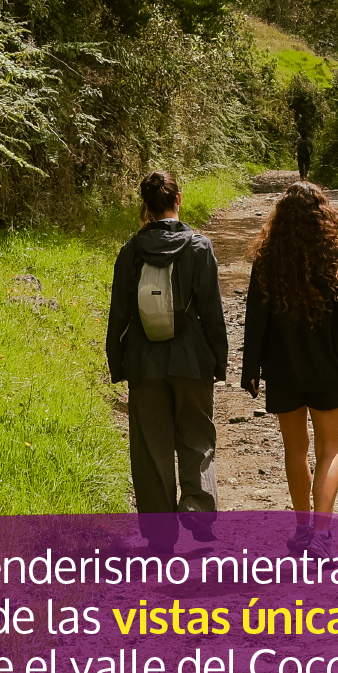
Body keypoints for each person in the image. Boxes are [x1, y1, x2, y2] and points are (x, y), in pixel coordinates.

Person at [241, 182, 338, 548]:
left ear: (280, 218)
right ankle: (322, 533)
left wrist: (250, 367)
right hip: (326, 361)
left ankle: (301, 529)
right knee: (331, 448)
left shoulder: (268, 257)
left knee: (295, 449)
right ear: (322, 215)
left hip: (282, 365)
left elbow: (256, 317)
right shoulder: (333, 254)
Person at [106, 170, 227, 541]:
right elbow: (212, 311)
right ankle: (197, 508)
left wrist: (118, 363)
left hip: (145, 361)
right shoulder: (199, 247)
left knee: (150, 446)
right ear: (178, 200)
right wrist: (218, 362)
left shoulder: (130, 251)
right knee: (196, 434)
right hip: (191, 359)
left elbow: (120, 314)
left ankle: (160, 533)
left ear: (146, 207)